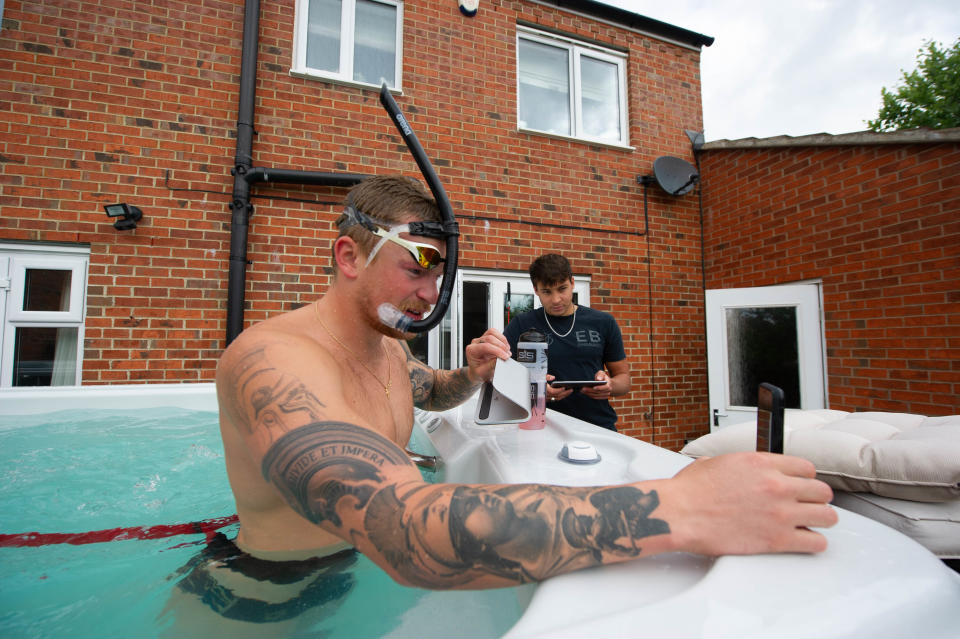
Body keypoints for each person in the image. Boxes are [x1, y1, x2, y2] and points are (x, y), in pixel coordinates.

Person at [210, 174, 837, 598]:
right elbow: (402, 531)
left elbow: (434, 392)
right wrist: (684, 507)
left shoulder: (388, 350)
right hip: (263, 598)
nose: (430, 295)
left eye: (441, 274)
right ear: (350, 257)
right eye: (417, 268)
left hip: (352, 579)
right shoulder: (274, 361)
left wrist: (475, 373)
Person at [504, 253, 628, 431]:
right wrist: (534, 390)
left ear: (572, 283)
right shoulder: (522, 324)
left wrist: (609, 385)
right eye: (547, 292)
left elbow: (624, 380)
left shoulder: (603, 322)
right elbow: (499, 376)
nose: (555, 300)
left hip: (598, 427)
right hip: (541, 427)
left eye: (562, 289)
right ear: (535, 290)